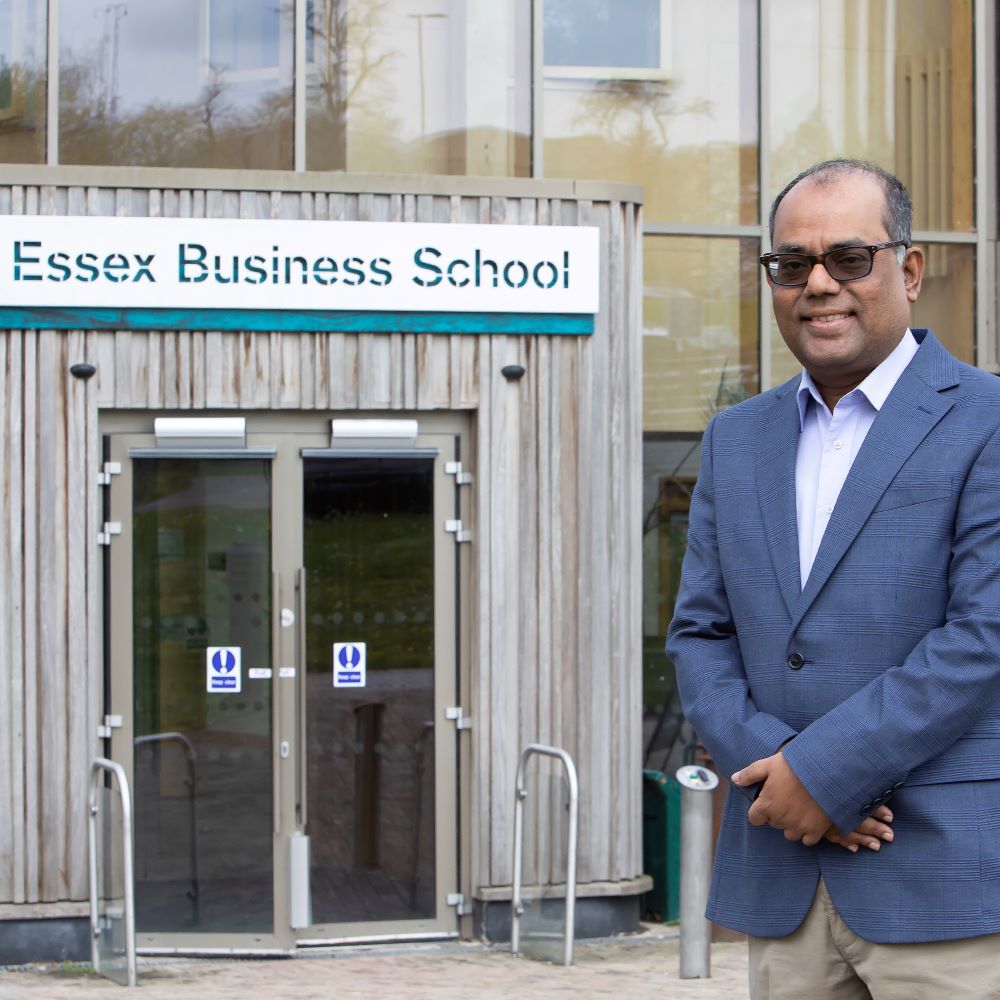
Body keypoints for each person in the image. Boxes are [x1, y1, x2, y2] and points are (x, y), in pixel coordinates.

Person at [666, 158, 1000, 999]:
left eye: (849, 258)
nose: (818, 284)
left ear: (909, 270)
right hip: (782, 882)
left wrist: (823, 772)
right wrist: (780, 771)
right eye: (792, 264)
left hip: (946, 886)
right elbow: (700, 637)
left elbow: (983, 634)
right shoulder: (736, 440)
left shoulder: (987, 419)